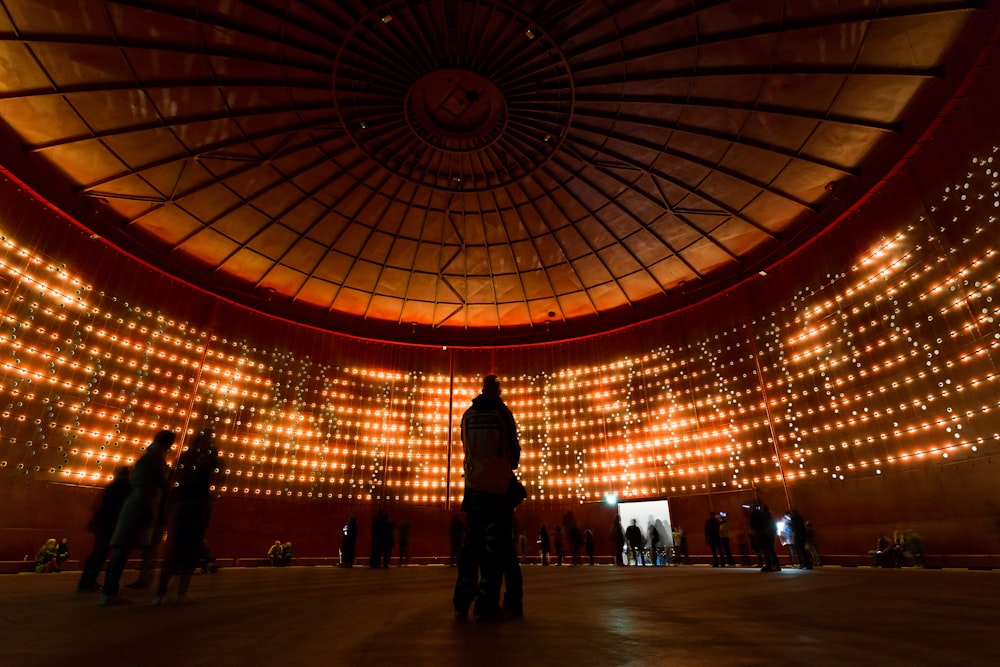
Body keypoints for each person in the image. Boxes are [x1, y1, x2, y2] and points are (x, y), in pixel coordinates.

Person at [452, 374, 521, 620]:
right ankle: (486, 603)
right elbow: (514, 453)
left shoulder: (467, 414)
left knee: (471, 545)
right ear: (498, 391)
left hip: (473, 487)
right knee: (495, 547)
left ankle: (461, 600)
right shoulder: (502, 413)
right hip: (498, 490)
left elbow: (464, 445)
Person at [98, 429, 175, 605]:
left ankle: (110, 591)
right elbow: (156, 485)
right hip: (141, 507)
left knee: (122, 550)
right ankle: (109, 593)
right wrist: (155, 511)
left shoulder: (151, 458)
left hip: (139, 506)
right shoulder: (154, 460)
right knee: (122, 550)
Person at [153, 429, 219, 605]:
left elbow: (175, 479)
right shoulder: (205, 460)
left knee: (177, 549)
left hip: (183, 505)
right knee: (186, 550)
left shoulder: (186, 458)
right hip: (194, 506)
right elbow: (215, 481)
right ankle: (177, 593)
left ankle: (161, 594)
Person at [77, 466, 132, 592]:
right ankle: (93, 584)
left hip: (103, 523)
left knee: (98, 553)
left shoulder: (110, 487)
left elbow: (97, 505)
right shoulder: (126, 488)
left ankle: (86, 582)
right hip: (112, 524)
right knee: (103, 554)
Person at [749, 503, 780, 572]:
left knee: (766, 550)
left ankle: (770, 565)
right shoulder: (768, 516)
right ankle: (775, 565)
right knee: (770, 550)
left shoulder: (760, 516)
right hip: (769, 534)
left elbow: (755, 524)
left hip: (764, 534)